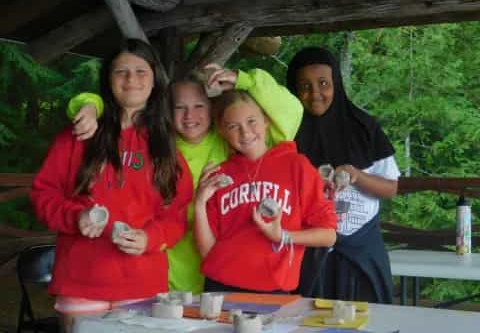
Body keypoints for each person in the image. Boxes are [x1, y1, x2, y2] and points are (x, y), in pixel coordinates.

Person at [65, 65, 304, 294]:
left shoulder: (230, 139)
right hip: (165, 269)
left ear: (212, 109)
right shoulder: (155, 144)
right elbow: (120, 109)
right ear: (167, 111)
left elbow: (292, 112)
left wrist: (245, 80)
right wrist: (91, 105)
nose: (190, 116)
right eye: (180, 107)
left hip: (222, 274)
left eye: (199, 105)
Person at [30, 39, 193, 332]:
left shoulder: (167, 147)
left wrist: (151, 238)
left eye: (141, 71)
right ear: (108, 80)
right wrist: (74, 217)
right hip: (81, 277)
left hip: (142, 279)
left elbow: (177, 214)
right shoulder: (79, 134)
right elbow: (44, 193)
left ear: (154, 79)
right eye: (121, 71)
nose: (131, 79)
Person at [286, 46, 401, 303]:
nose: (315, 93)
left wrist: (356, 175)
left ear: (336, 82)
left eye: (323, 83)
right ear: (293, 90)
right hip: (310, 253)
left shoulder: (364, 126)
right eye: (304, 85)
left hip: (362, 251)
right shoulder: (286, 133)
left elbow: (391, 188)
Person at [194, 89, 337, 293]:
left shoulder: (297, 166)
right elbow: (207, 252)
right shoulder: (220, 174)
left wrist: (283, 236)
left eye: (252, 121)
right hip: (221, 287)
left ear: (266, 120)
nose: (245, 132)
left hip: (274, 291)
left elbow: (328, 235)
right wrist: (200, 203)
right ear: (222, 131)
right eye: (233, 126)